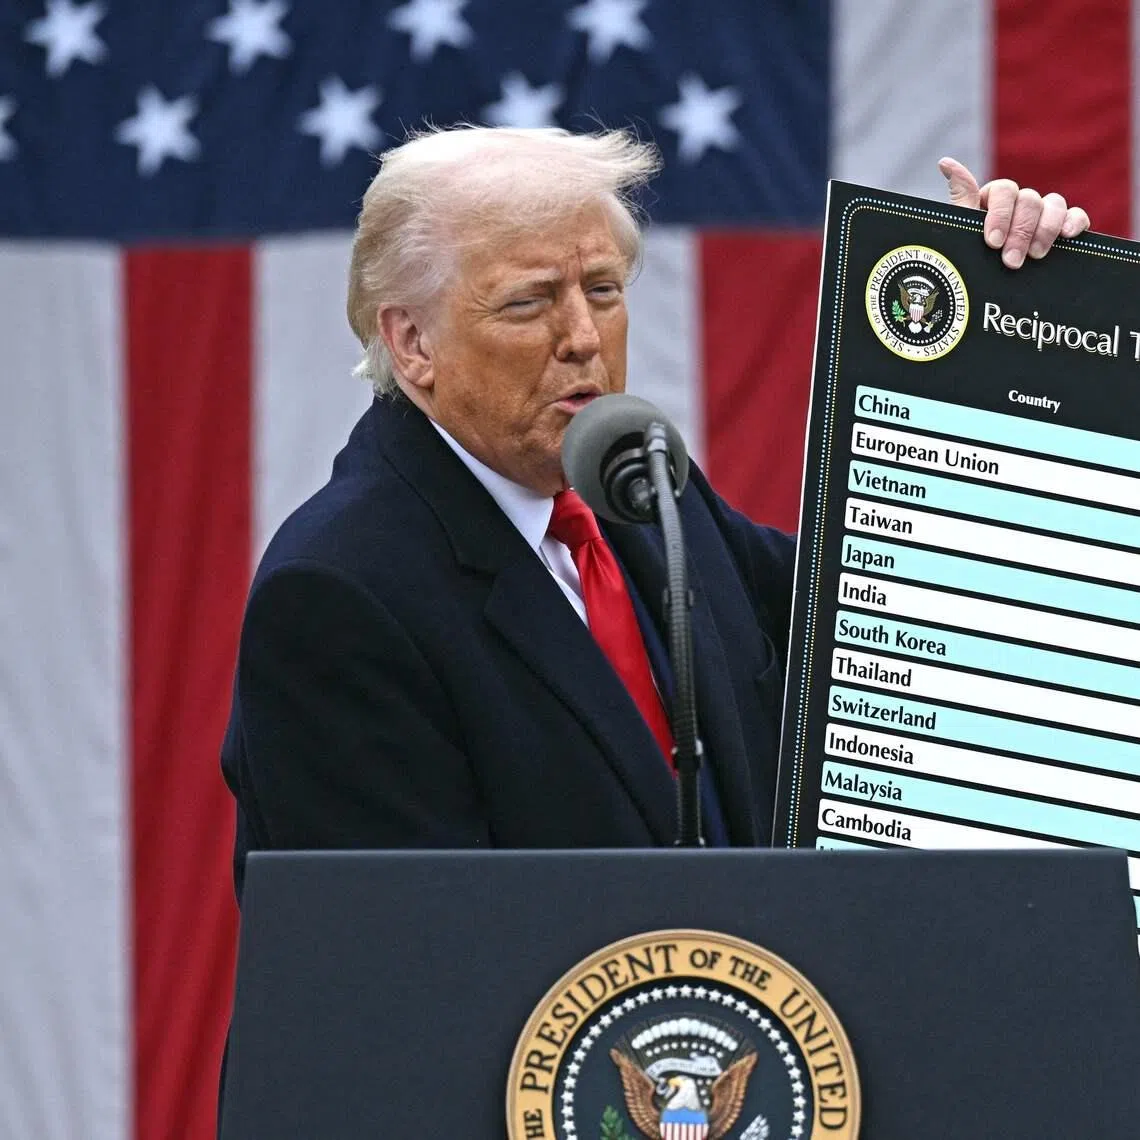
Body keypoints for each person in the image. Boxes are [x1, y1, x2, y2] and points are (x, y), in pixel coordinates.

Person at [220, 127, 1089, 895]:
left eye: (602, 290)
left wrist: (995, 328)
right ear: (412, 343)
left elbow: (890, 628)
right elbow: (410, 963)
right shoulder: (336, 595)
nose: (582, 337)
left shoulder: (638, 489)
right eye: (529, 301)